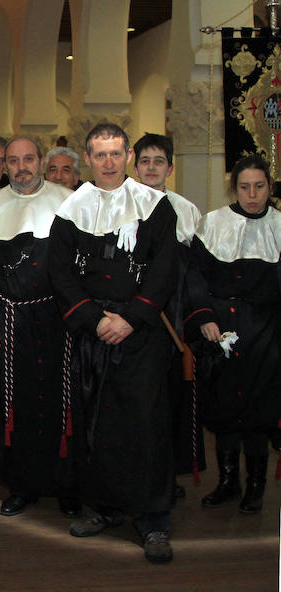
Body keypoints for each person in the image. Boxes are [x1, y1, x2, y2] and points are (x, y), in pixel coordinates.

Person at [48, 123, 179, 563]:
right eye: (99, 155)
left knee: (145, 426)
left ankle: (152, 520)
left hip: (140, 332)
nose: (107, 163)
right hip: (93, 332)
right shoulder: (71, 208)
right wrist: (92, 318)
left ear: (127, 157)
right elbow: (60, 273)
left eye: (115, 154)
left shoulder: (156, 207)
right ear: (88, 158)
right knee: (95, 424)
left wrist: (131, 318)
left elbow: (164, 271)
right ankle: (101, 507)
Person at [0, 136, 78, 518]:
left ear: (41, 160)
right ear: (3, 166)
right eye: (12, 161)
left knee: (63, 404)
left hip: (58, 320)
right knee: (15, 406)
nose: (21, 167)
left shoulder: (69, 202)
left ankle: (67, 485)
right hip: (9, 323)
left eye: (28, 159)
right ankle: (21, 486)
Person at [185, 155, 281, 515]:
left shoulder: (280, 226)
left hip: (266, 331)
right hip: (221, 327)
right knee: (224, 405)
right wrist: (204, 316)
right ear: (234, 188)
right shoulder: (213, 224)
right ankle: (227, 481)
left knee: (257, 409)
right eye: (245, 187)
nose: (252, 194)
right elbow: (194, 278)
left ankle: (255, 485)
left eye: (259, 187)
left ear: (270, 187)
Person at [133, 133, 203, 502]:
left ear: (170, 168)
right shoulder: (119, 206)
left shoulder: (186, 210)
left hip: (170, 317)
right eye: (145, 161)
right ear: (135, 165)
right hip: (131, 315)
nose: (151, 168)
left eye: (158, 161)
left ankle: (166, 476)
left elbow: (193, 271)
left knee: (169, 399)